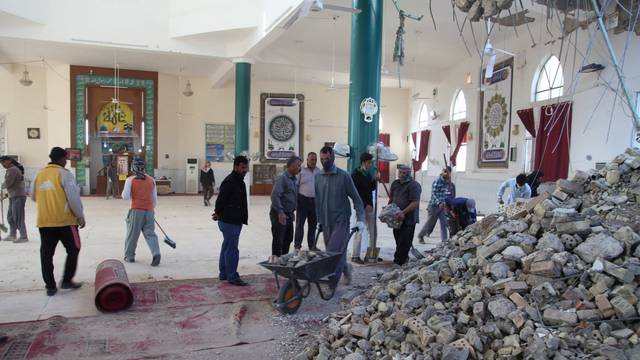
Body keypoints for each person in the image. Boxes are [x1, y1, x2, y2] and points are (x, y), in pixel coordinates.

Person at [31, 147, 85, 296]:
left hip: (44, 222)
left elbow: (33, 196)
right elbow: (73, 199)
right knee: (74, 248)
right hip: (65, 221)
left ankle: (50, 286)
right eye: (65, 160)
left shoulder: (39, 174)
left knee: (46, 254)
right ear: (62, 159)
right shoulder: (64, 174)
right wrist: (80, 217)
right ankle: (67, 280)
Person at [315, 146, 365, 285]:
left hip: (341, 221)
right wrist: (319, 220)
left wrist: (360, 219)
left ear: (333, 158)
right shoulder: (318, 177)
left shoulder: (344, 176)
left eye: (327, 158)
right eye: (322, 159)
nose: (324, 161)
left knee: (332, 252)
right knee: (336, 252)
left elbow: (356, 199)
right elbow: (318, 200)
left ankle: (332, 281)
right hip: (325, 221)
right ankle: (346, 267)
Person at [213, 155, 249, 286]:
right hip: (229, 221)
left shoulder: (239, 181)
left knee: (227, 246)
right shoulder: (230, 181)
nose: (245, 170)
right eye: (242, 167)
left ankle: (223, 273)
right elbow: (220, 201)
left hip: (232, 219)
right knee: (232, 249)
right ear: (235, 167)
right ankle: (232, 276)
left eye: (246, 167)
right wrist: (217, 213)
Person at [121, 158, 161, 266]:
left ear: (133, 167)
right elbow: (154, 199)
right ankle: (156, 253)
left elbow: (125, 196)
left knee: (132, 234)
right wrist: (150, 210)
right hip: (149, 211)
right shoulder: (151, 180)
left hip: (136, 211)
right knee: (150, 234)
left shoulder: (130, 180)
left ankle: (129, 256)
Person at [388, 164, 422, 266]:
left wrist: (403, 212)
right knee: (398, 239)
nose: (401, 174)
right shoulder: (395, 184)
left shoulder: (414, 185)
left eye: (404, 173)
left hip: (409, 219)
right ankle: (404, 257)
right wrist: (388, 209)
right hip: (396, 218)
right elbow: (392, 198)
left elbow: (415, 203)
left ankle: (398, 262)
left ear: (408, 173)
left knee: (404, 240)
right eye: (400, 172)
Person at [270, 156, 302, 256]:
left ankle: (283, 261)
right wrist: (280, 212)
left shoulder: (294, 179)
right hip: (279, 214)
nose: (300, 168)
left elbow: (292, 196)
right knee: (279, 240)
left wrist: (292, 211)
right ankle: (276, 264)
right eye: (298, 165)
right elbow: (275, 196)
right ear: (292, 166)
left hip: (288, 213)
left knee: (288, 238)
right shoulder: (282, 178)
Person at [350, 152, 378, 264]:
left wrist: (375, 180)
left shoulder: (368, 174)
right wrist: (366, 204)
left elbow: (371, 189)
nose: (370, 165)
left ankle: (371, 255)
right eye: (368, 162)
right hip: (361, 207)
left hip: (369, 206)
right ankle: (355, 255)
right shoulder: (355, 174)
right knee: (359, 230)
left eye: (371, 163)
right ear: (363, 162)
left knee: (373, 231)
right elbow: (356, 193)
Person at [417, 167, 453, 244]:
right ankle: (421, 236)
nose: (446, 173)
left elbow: (446, 190)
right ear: (442, 172)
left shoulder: (446, 182)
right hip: (434, 206)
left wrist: (449, 179)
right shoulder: (437, 181)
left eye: (447, 172)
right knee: (429, 223)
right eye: (444, 171)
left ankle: (444, 240)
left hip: (442, 206)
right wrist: (439, 202)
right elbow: (434, 194)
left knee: (444, 223)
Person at [294, 152, 321, 251]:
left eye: (315, 160)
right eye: (312, 159)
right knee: (300, 224)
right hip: (302, 200)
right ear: (307, 160)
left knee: (313, 225)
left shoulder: (319, 171)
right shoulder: (301, 171)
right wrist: (296, 201)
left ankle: (312, 245)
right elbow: (296, 186)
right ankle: (297, 246)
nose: (313, 161)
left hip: (314, 201)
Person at [1, 156, 28, 242]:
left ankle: (23, 236)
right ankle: (13, 234)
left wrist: (1, 187)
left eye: (3, 162)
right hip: (13, 195)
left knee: (18, 216)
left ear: (9, 161)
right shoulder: (11, 170)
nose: (2, 164)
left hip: (18, 196)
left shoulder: (13, 170)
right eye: (1, 163)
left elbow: (8, 183)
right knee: (10, 216)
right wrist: (5, 194)